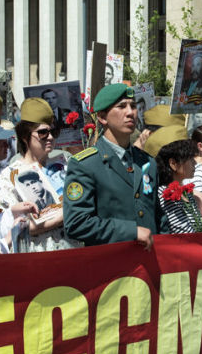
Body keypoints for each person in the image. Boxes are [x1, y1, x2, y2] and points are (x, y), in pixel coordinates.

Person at [63, 84, 167, 248]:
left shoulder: (147, 162)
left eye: (133, 106)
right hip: (110, 266)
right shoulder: (85, 165)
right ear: (103, 117)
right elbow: (77, 223)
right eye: (121, 106)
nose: (130, 112)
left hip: (148, 263)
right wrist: (131, 231)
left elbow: (157, 216)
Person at [0, 98, 77, 253]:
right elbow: (7, 222)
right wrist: (62, 217)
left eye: (54, 132)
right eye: (43, 133)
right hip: (34, 257)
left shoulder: (66, 163)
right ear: (25, 136)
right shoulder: (9, 175)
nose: (51, 137)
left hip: (70, 252)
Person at [147, 125, 202, 233]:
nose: (195, 162)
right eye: (190, 158)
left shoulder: (185, 193)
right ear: (173, 163)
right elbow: (184, 234)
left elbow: (200, 227)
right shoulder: (165, 195)